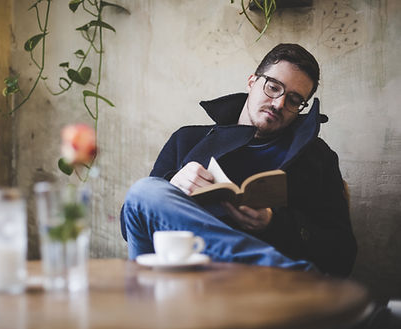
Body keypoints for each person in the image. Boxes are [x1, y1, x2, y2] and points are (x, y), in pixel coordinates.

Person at [120, 43, 357, 277]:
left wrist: (273, 224)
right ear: (252, 81)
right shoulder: (187, 139)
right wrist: (172, 186)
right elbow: (129, 224)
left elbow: (342, 256)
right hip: (182, 278)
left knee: (145, 191)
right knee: (145, 191)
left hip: (261, 288)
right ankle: (276, 263)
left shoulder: (316, 157)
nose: (279, 103)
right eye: (273, 87)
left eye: (294, 100)